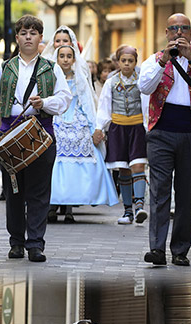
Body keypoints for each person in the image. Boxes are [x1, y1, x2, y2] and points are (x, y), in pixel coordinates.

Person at [0, 15, 71, 262]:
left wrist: (46, 102)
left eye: (33, 33)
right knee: (13, 191)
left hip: (41, 134)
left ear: (41, 38)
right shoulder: (4, 68)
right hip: (9, 135)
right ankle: (16, 242)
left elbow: (65, 98)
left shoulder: (52, 68)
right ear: (17, 37)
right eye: (24, 33)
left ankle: (35, 244)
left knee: (39, 193)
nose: (28, 37)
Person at [139, 13, 191, 266]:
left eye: (184, 28)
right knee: (160, 192)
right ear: (166, 33)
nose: (179, 33)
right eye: (174, 28)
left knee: (185, 194)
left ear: (190, 32)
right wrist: (164, 60)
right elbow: (145, 86)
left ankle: (180, 250)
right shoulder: (154, 59)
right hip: (160, 132)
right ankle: (157, 249)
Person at [47, 41, 118, 221]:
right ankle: (52, 206)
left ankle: (69, 208)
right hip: (57, 120)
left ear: (74, 59)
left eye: (69, 56)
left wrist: (95, 127)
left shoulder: (80, 78)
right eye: (61, 56)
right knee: (55, 163)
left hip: (78, 122)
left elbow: (87, 104)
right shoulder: (50, 78)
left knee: (75, 165)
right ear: (56, 58)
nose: (65, 59)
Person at [95, 45, 148, 225]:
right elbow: (104, 107)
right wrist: (100, 128)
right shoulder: (111, 82)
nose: (126, 64)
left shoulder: (142, 81)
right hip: (118, 128)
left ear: (135, 62)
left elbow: (147, 105)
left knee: (138, 166)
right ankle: (127, 211)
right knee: (124, 169)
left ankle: (140, 206)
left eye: (130, 61)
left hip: (137, 127)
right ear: (118, 62)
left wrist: (149, 126)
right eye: (123, 60)